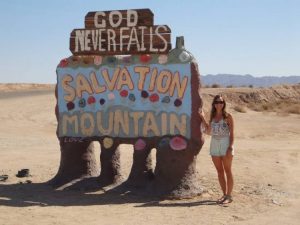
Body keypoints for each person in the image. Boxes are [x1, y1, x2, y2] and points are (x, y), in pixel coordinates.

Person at [199, 94, 234, 204]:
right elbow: (209, 131)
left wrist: (231, 146)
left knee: (228, 170)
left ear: (224, 104)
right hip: (214, 144)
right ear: (214, 104)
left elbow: (232, 133)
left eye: (221, 102)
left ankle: (229, 196)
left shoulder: (228, 116)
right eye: (217, 102)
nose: (219, 104)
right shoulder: (213, 117)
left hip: (225, 143)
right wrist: (202, 118)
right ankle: (224, 194)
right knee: (219, 171)